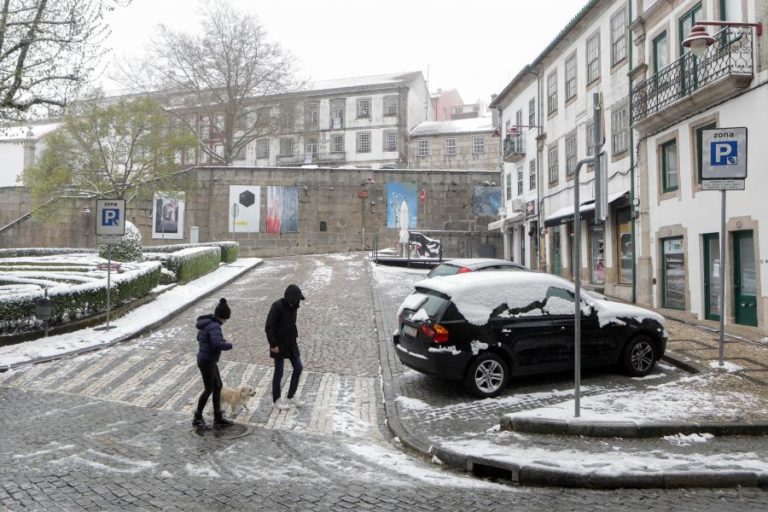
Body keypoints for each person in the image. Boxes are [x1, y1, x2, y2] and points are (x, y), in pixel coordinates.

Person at [192, 298, 234, 429]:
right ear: (222, 317)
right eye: (225, 319)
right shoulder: (214, 326)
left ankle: (218, 417)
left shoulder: (208, 324)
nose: (225, 322)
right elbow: (217, 343)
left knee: (218, 386)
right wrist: (228, 344)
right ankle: (197, 417)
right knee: (209, 389)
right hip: (206, 360)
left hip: (207, 359)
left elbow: (200, 338)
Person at [265, 284, 305, 410]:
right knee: (279, 372)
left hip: (291, 342)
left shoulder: (294, 306)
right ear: (291, 298)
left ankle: (291, 396)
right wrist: (273, 344)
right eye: (297, 298)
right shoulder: (277, 306)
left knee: (298, 367)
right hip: (278, 344)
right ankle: (276, 400)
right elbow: (269, 326)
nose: (298, 301)